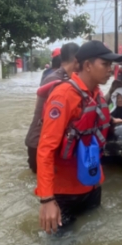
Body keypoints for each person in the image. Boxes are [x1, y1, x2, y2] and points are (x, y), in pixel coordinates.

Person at [36, 40, 122, 234]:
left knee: (94, 243)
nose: (110, 70)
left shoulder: (97, 95)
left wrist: (111, 121)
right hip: (64, 194)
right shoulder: (63, 96)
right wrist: (47, 199)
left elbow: (91, 123)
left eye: (111, 65)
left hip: (92, 185)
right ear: (87, 65)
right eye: (105, 64)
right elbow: (45, 148)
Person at [25, 43, 80, 173]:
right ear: (76, 60)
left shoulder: (64, 78)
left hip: (44, 143)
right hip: (40, 144)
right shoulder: (56, 80)